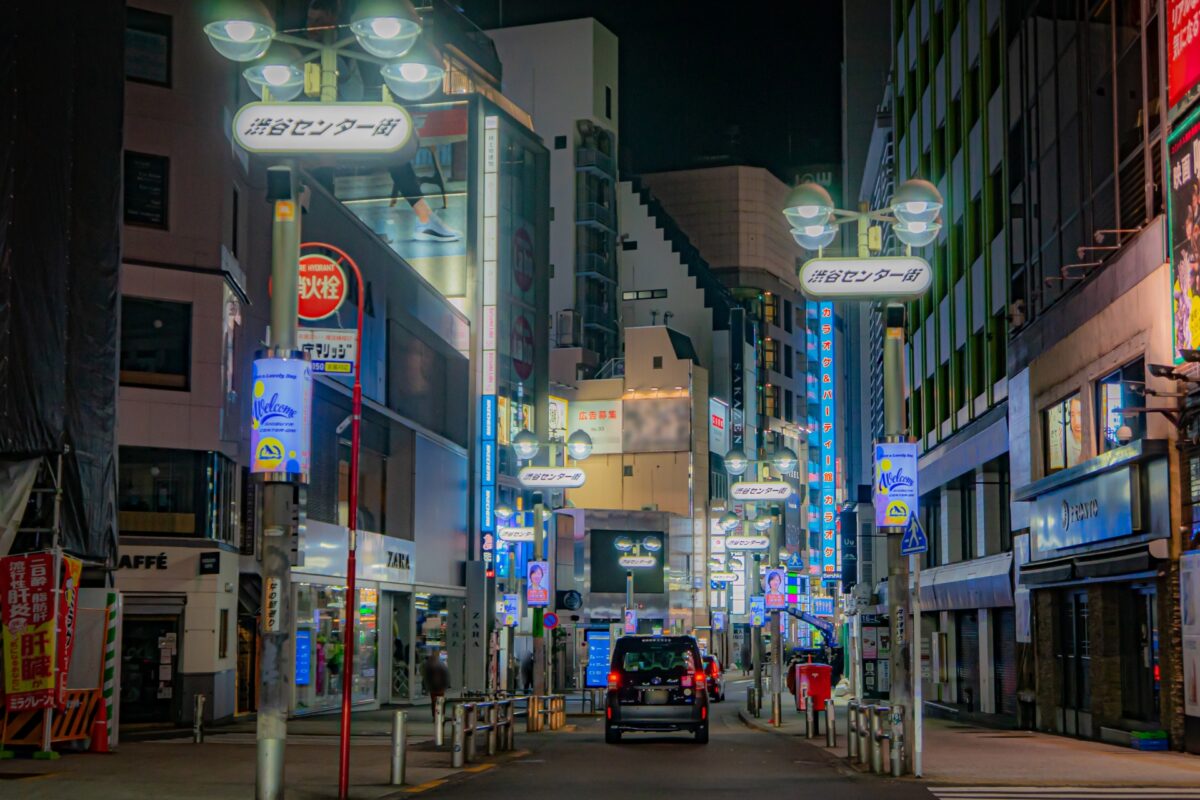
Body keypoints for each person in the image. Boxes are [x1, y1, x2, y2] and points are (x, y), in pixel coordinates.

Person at [421, 650, 449, 715]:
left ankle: (436, 715)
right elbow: (445, 676)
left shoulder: (429, 667)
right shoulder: (441, 666)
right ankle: (439, 714)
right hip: (438, 687)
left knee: (435, 701)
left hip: (435, 687)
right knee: (439, 701)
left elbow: (426, 678)